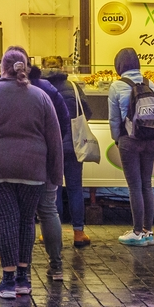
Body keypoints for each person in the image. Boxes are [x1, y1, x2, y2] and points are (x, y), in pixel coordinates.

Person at [0, 47, 63, 299]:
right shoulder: (40, 97)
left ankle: (7, 282)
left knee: (6, 220)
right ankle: (23, 280)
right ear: (24, 68)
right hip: (33, 168)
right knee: (27, 220)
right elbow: (55, 138)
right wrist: (55, 174)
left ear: (1, 69)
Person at [108, 48, 154, 246]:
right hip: (151, 139)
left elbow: (114, 119)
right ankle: (149, 232)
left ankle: (137, 232)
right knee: (147, 184)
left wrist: (117, 139)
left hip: (129, 140)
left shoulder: (116, 86)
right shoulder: (150, 83)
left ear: (119, 65)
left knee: (135, 186)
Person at [42, 56, 91, 248]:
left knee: (53, 189)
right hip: (73, 145)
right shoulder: (74, 87)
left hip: (50, 146)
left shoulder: (39, 88)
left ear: (43, 68)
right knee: (75, 189)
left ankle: (53, 234)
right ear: (62, 67)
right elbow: (87, 112)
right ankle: (79, 233)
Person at [29, 64, 70, 281]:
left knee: (22, 215)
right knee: (48, 209)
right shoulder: (48, 89)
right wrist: (52, 145)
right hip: (45, 157)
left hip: (19, 159)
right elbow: (64, 122)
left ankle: (20, 271)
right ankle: (56, 266)